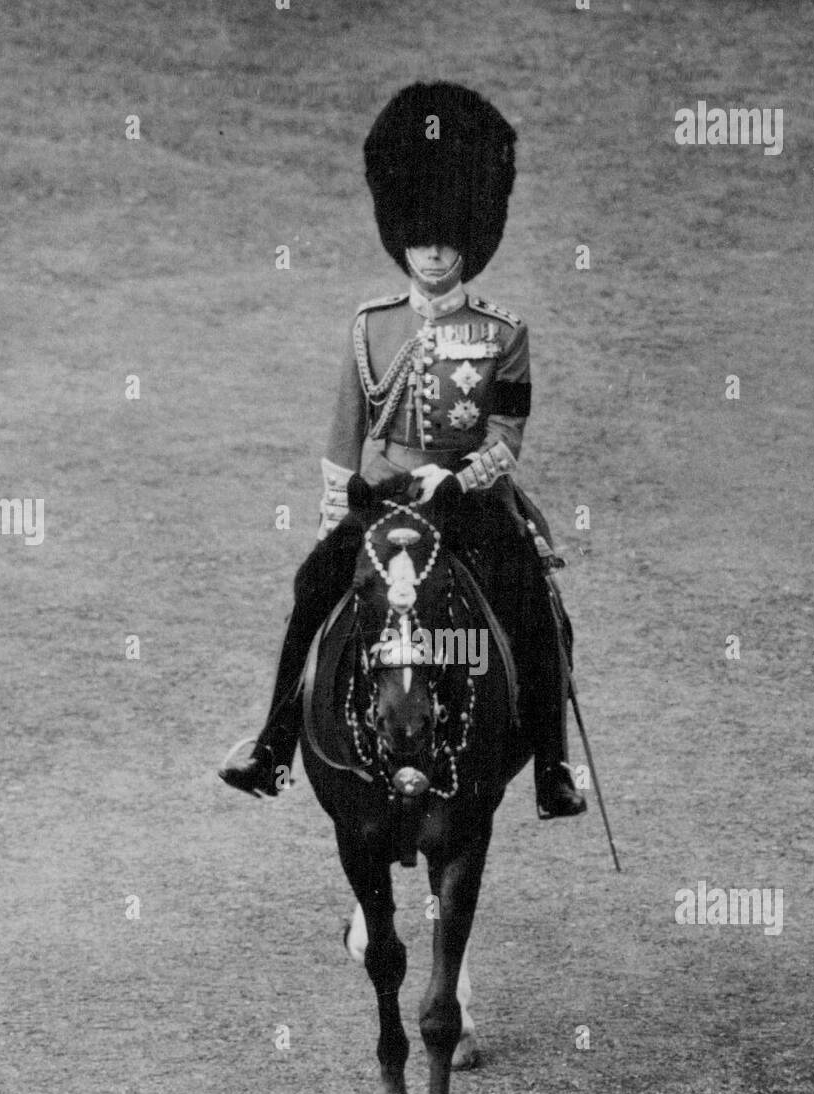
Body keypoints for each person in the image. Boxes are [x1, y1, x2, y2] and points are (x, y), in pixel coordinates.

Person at [220, 82, 585, 820]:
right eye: (421, 239)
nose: (433, 252)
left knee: (534, 609)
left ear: (469, 244)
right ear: (401, 238)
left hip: (468, 505)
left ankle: (551, 767)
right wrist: (334, 514)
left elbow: (505, 436)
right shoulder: (368, 327)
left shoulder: (503, 333)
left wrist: (454, 480)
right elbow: (342, 433)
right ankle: (273, 743)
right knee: (311, 593)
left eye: (447, 240)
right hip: (380, 499)